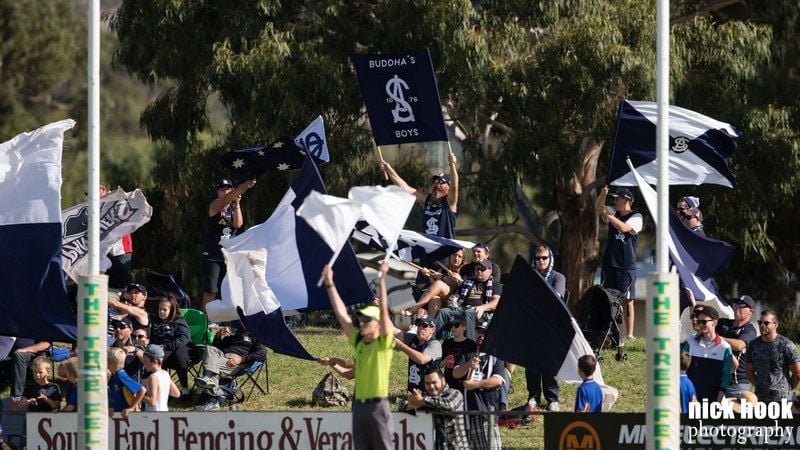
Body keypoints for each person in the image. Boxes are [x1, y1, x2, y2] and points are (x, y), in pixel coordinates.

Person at [323, 261, 395, 450]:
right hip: (359, 406)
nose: (361, 322)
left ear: (377, 324)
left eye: (366, 319)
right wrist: (330, 283)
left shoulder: (383, 343)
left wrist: (382, 281)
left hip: (378, 405)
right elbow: (342, 315)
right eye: (361, 319)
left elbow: (386, 315)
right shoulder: (360, 342)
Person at [201, 178, 257, 310]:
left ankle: (229, 323)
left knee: (230, 289)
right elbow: (225, 200)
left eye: (228, 189)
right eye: (222, 189)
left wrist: (237, 204)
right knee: (211, 290)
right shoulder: (215, 205)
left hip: (229, 255)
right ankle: (208, 323)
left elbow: (238, 224)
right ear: (217, 192)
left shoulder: (232, 207)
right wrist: (244, 185)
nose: (225, 191)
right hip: (213, 254)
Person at [597, 186, 643, 339]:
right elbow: (598, 208)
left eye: (617, 198)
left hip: (626, 265)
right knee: (607, 298)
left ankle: (629, 335)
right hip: (610, 263)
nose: (615, 201)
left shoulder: (637, 216)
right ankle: (608, 332)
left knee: (628, 299)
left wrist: (608, 216)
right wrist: (603, 194)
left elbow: (624, 228)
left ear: (626, 200)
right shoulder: (614, 212)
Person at [380, 150, 459, 239]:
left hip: (445, 249)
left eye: (441, 182)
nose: (437, 184)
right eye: (436, 181)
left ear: (449, 186)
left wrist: (452, 164)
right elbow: (406, 189)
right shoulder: (428, 200)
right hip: (428, 249)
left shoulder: (449, 202)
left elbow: (455, 184)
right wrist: (389, 170)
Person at [453, 320, 505, 450]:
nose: (481, 335)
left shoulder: (495, 354)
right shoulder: (466, 352)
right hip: (467, 410)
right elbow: (455, 373)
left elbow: (498, 380)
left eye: (484, 332)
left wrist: (474, 385)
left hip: (487, 410)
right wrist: (468, 365)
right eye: (479, 332)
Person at [194, 324, 266, 411]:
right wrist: (218, 336)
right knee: (209, 349)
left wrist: (242, 359)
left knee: (211, 366)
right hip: (223, 357)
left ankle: (211, 387)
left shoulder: (256, 333)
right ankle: (213, 387)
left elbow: (261, 353)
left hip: (237, 362)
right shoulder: (234, 332)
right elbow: (217, 348)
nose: (241, 320)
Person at [400, 366, 469, 450]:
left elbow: (450, 405)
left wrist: (422, 401)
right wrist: (410, 405)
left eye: (434, 382)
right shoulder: (425, 398)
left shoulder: (455, 393)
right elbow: (402, 404)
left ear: (443, 380)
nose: (431, 386)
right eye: (427, 383)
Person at [435, 259, 503, 341]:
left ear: (490, 271)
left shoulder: (495, 284)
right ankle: (437, 342)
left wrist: (483, 307)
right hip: (462, 309)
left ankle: (469, 344)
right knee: (443, 312)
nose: (479, 271)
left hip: (481, 313)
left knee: (469, 313)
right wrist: (452, 300)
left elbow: (496, 302)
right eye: (477, 269)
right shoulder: (467, 282)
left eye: (482, 269)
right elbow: (457, 296)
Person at [745, 310, 800, 404]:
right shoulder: (753, 345)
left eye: (766, 323)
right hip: (760, 399)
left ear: (776, 324)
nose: (762, 325)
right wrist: (759, 385)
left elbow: (797, 372)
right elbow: (749, 371)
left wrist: (787, 388)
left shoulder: (786, 345)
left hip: (782, 399)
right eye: (760, 322)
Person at [681, 305, 733, 401]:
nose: (701, 325)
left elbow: (726, 377)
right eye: (700, 321)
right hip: (692, 401)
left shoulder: (725, 348)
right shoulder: (690, 343)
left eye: (704, 322)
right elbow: (682, 371)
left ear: (714, 322)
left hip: (714, 402)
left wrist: (718, 402)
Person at [716, 295, 758, 400]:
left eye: (741, 305)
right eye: (736, 305)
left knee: (736, 415)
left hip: (737, 384)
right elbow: (706, 324)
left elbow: (739, 345)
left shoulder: (750, 330)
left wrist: (718, 339)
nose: (737, 308)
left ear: (751, 311)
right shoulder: (722, 323)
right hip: (717, 380)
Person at [402, 249, 466, 319]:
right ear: (450, 256)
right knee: (435, 298)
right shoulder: (443, 269)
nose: (456, 258)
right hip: (444, 298)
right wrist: (429, 276)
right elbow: (435, 288)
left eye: (459, 256)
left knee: (439, 284)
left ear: (463, 259)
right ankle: (431, 325)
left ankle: (414, 308)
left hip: (457, 299)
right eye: (454, 255)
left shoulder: (465, 270)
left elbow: (464, 286)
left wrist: (454, 279)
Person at [149, 293, 192, 396]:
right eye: (160, 309)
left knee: (178, 352)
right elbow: (153, 338)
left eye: (165, 310)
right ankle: (161, 389)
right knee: (156, 355)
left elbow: (184, 338)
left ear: (172, 310)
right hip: (162, 351)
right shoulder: (156, 322)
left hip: (179, 351)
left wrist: (166, 346)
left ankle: (185, 389)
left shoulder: (179, 321)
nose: (161, 312)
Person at [396, 317, 442, 393]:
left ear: (432, 330)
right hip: (414, 393)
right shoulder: (414, 339)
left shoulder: (435, 344)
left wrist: (401, 345)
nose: (420, 327)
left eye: (424, 325)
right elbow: (392, 330)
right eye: (418, 324)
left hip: (430, 393)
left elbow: (422, 359)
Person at [441, 314, 476, 391]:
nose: (453, 328)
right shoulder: (446, 342)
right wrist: (444, 361)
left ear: (464, 327)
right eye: (451, 325)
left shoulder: (470, 344)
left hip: (462, 383)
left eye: (456, 325)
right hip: (448, 382)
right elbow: (440, 365)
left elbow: (472, 365)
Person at [108, 347, 146, 417]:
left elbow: (142, 390)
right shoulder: (113, 375)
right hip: (117, 414)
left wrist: (131, 408)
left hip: (127, 415)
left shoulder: (121, 375)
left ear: (111, 362)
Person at [141, 344, 180, 412]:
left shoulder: (153, 377)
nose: (144, 363)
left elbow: (152, 402)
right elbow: (176, 394)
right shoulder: (165, 374)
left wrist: (139, 396)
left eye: (146, 361)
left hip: (154, 416)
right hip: (164, 412)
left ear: (155, 361)